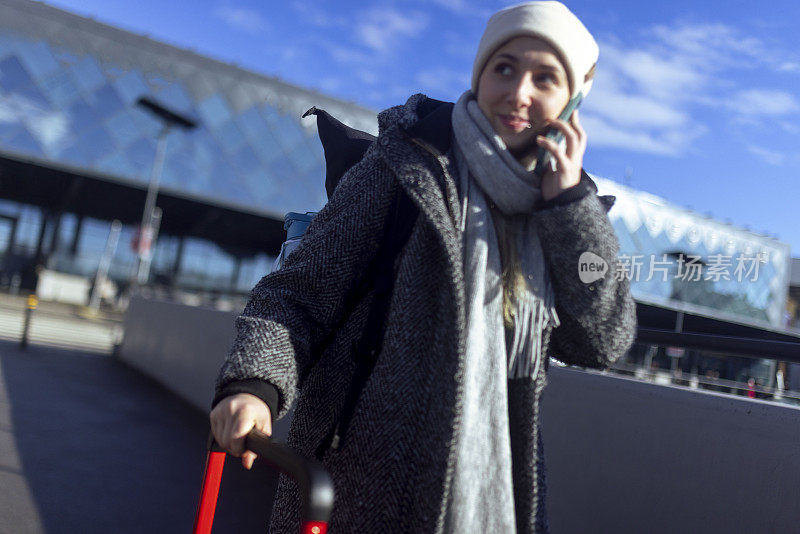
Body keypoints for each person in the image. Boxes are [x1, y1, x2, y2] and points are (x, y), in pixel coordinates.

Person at [210, 2, 637, 532]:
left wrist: (569, 209)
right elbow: (297, 295)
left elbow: (602, 340)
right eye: (503, 67)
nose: (518, 91)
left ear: (573, 99)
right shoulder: (404, 165)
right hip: (361, 486)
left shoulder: (571, 210)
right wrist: (253, 385)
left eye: (546, 78)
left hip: (493, 501)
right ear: (479, 73)